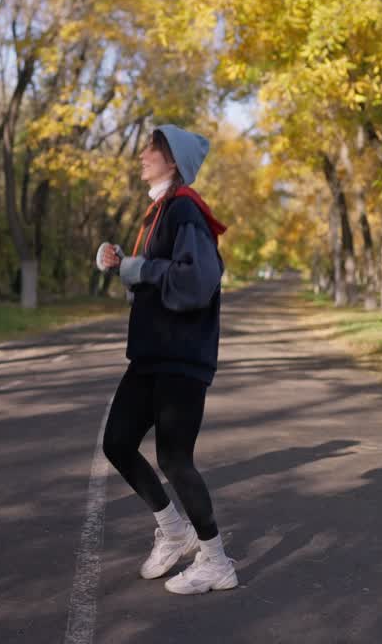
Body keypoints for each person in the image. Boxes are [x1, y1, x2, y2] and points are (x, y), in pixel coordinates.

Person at [95, 125, 235, 595]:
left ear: (172, 160)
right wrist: (121, 264)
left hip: (181, 356)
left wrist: (139, 268)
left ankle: (217, 561)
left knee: (175, 459)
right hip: (152, 354)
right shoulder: (160, 212)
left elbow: (197, 281)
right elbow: (158, 277)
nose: (141, 155)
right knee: (117, 442)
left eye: (151, 149)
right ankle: (175, 531)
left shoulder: (185, 210)